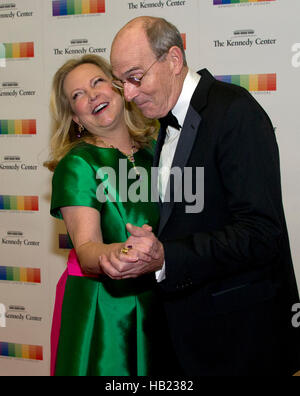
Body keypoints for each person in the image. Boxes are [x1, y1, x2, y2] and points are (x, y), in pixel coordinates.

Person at [108, 16, 300, 376]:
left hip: (239, 340)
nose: (129, 95)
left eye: (136, 77)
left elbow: (261, 233)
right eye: (122, 83)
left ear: (174, 60)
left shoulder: (234, 111)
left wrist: (168, 257)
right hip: (186, 335)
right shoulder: (164, 125)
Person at [45, 54, 172, 376]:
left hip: (159, 302)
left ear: (119, 88)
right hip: (104, 309)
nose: (92, 96)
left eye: (97, 82)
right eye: (77, 96)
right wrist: (125, 251)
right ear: (75, 117)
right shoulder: (79, 163)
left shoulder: (155, 151)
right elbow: (87, 251)